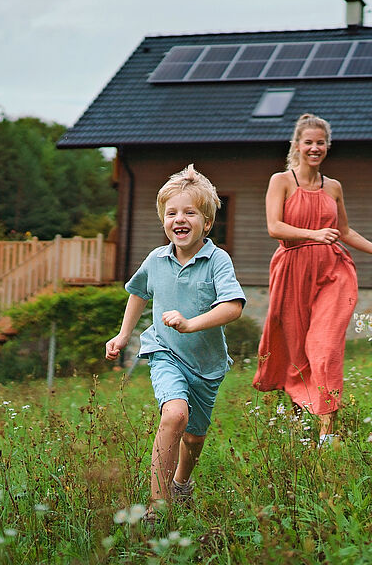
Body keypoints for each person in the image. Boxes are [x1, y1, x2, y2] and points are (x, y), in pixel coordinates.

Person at [105, 165, 245, 520]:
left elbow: (233, 307)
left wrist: (190, 324)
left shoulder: (217, 260)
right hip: (165, 353)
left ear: (207, 223)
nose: (179, 219)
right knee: (174, 414)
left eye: (189, 212)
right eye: (171, 213)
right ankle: (157, 505)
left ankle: (182, 483)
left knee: (194, 438)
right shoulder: (155, 259)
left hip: (207, 365)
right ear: (163, 220)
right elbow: (138, 293)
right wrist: (123, 335)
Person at [253, 113, 372, 444]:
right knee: (295, 351)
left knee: (324, 348)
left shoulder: (333, 187)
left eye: (320, 142)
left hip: (331, 272)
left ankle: (328, 433)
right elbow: (274, 228)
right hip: (291, 272)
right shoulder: (281, 181)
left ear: (328, 146)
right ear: (297, 146)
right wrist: (314, 233)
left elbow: (343, 232)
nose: (315, 148)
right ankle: (298, 427)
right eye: (308, 142)